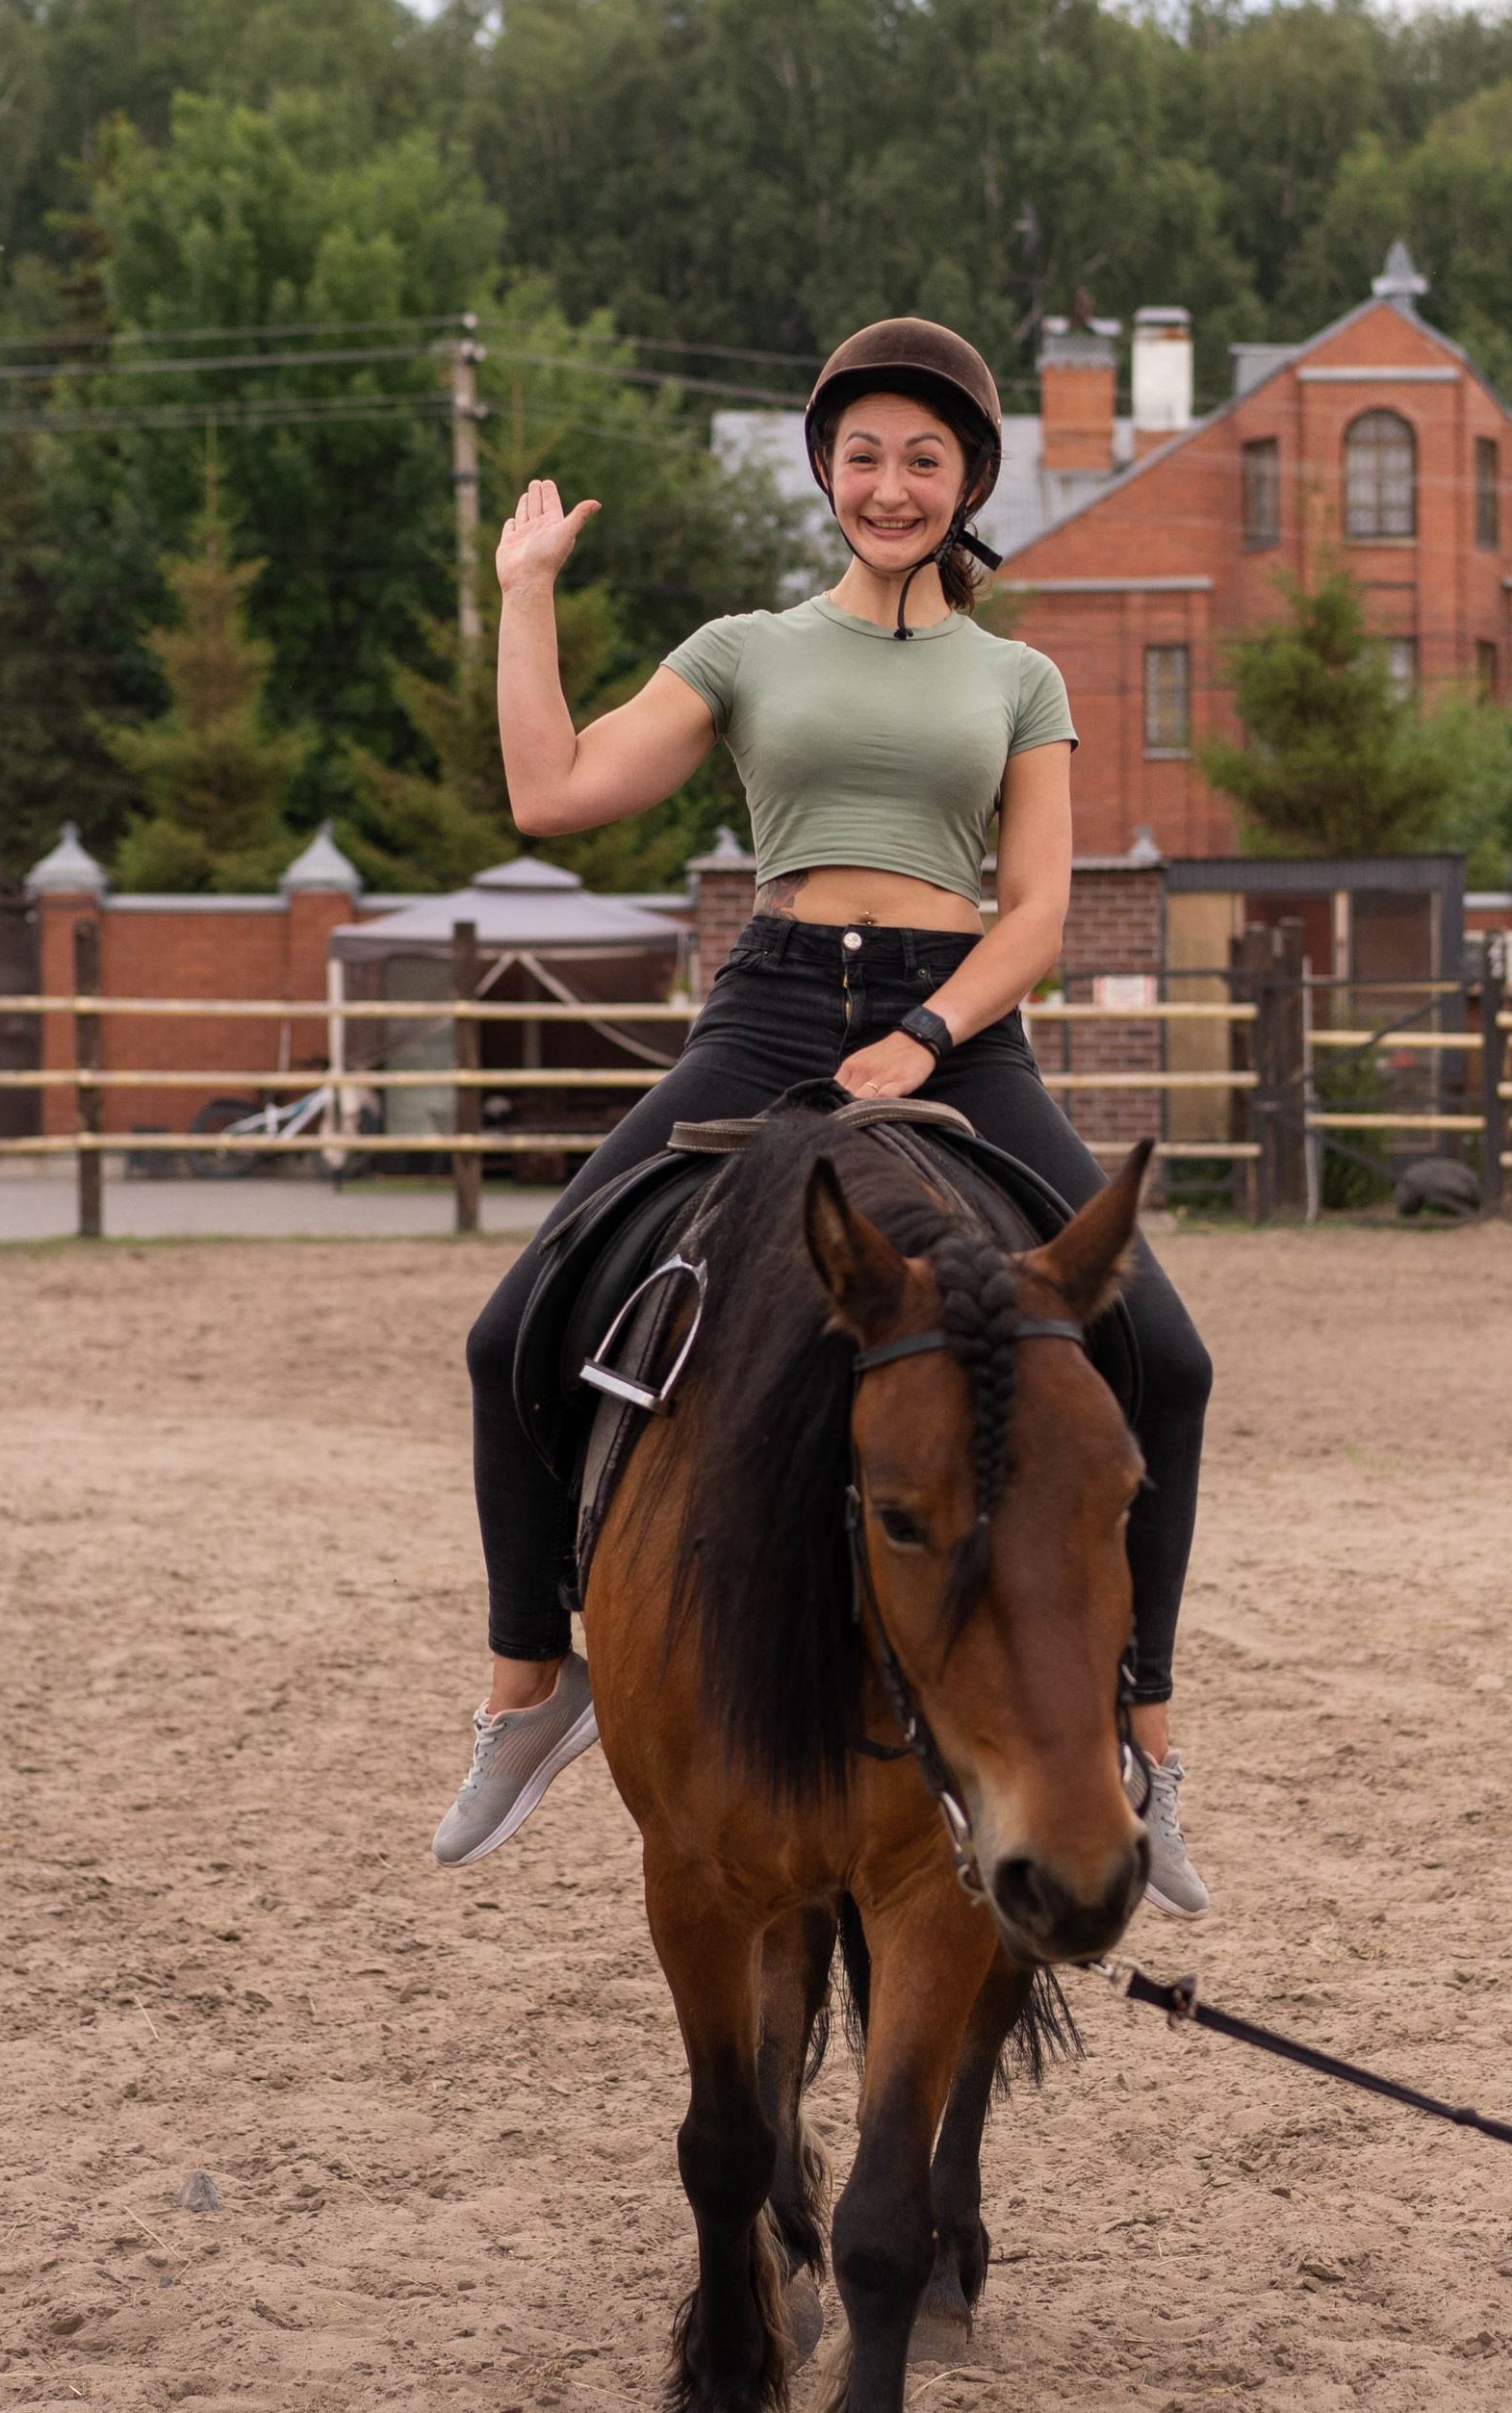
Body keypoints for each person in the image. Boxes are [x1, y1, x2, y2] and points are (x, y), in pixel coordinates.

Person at [433, 317, 1215, 1913]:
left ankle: (1142, 1727)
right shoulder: (743, 649)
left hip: (959, 1022)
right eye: (863, 453)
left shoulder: (1022, 674)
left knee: (1171, 1359)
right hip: (775, 999)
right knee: (513, 1325)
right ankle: (532, 1679)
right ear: (825, 472)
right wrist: (525, 598)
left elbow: (1044, 911)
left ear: (969, 478)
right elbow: (553, 792)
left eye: (925, 456)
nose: (892, 482)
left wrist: (929, 1034)